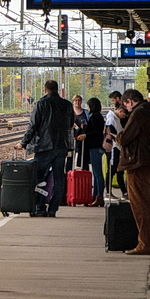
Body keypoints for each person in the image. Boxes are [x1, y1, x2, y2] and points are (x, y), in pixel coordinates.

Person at [20, 80, 75, 217]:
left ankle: (40, 206)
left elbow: (33, 126)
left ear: (46, 90)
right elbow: (71, 124)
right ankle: (53, 208)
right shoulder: (67, 105)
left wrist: (23, 143)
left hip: (44, 146)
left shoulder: (41, 103)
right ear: (57, 89)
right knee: (59, 178)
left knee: (39, 178)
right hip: (62, 146)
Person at [115, 89, 150, 255]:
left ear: (129, 101)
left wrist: (118, 135)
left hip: (139, 165)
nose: (126, 108)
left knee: (140, 207)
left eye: (125, 104)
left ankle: (145, 244)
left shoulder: (138, 113)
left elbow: (125, 138)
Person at [82, 97, 107, 207]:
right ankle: (95, 195)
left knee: (97, 173)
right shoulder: (96, 116)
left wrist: (86, 134)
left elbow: (96, 132)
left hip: (95, 146)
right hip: (94, 146)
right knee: (96, 173)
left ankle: (99, 196)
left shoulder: (95, 117)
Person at [70, 95, 89, 171]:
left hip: (83, 138)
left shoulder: (86, 112)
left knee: (83, 158)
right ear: (73, 102)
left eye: (79, 100)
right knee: (70, 158)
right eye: (75, 100)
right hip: (72, 137)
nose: (77, 102)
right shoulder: (70, 112)